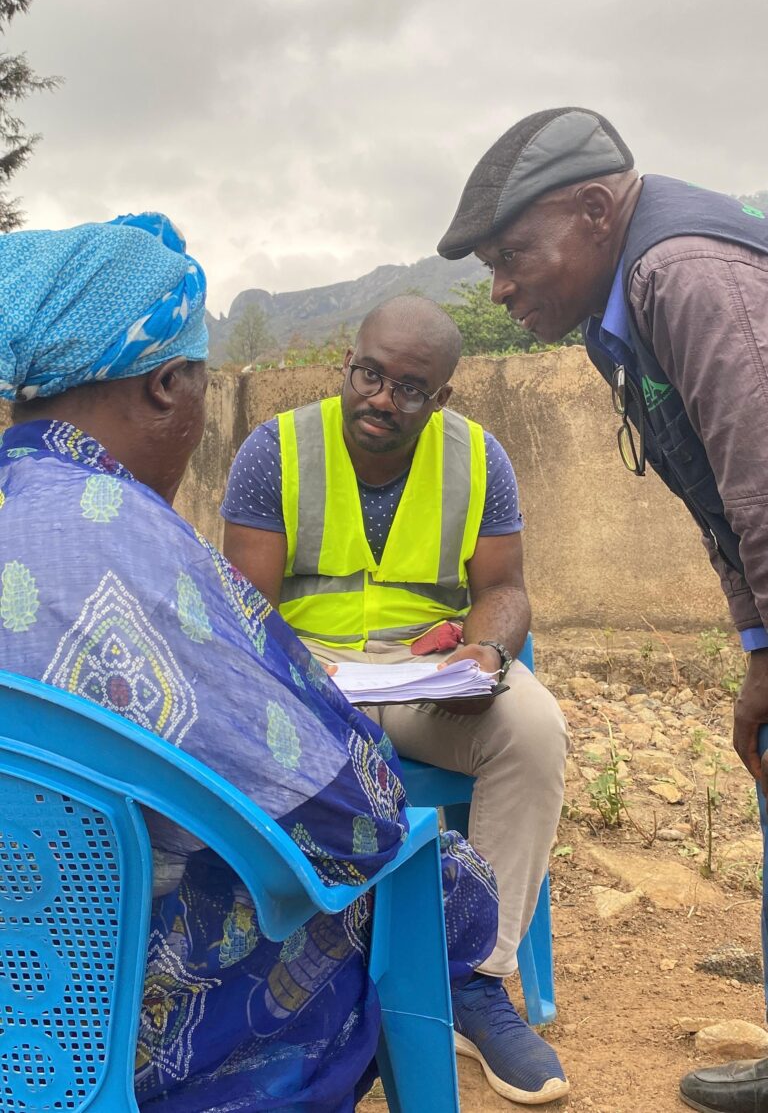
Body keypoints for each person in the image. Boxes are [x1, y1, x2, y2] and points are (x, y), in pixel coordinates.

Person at [0, 215, 500, 1113]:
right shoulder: (135, 543)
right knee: (409, 878)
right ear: (167, 386)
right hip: (114, 1006)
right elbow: (339, 813)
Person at [438, 104, 768, 1113]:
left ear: (594, 211)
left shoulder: (684, 277)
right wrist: (756, 646)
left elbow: (761, 478)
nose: (499, 289)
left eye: (512, 255)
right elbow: (722, 502)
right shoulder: (615, 320)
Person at [222, 294, 570, 1106]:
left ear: (441, 395)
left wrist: (485, 654)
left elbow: (506, 590)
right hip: (308, 685)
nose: (382, 397)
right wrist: (305, 676)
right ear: (350, 361)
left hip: (425, 682)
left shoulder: (480, 459)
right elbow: (243, 611)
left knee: (533, 725)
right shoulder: (276, 450)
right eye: (369, 374)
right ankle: (293, 988)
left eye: (409, 387)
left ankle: (476, 979)